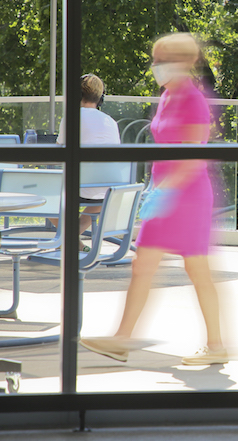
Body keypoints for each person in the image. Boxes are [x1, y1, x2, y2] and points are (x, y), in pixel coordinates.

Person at [81, 33, 227, 366]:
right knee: (143, 265)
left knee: (197, 269)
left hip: (186, 197)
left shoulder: (193, 100)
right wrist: (155, 189)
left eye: (163, 60)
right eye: (155, 59)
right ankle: (122, 338)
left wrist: (162, 193)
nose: (156, 66)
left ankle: (216, 344)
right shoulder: (167, 97)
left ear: (186, 62)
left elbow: (191, 157)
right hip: (165, 193)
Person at [54, 74, 120, 247]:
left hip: (79, 188)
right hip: (109, 189)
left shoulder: (71, 118)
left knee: (42, 193)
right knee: (97, 199)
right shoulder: (111, 122)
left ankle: (66, 238)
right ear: (101, 99)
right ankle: (74, 242)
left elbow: (59, 150)